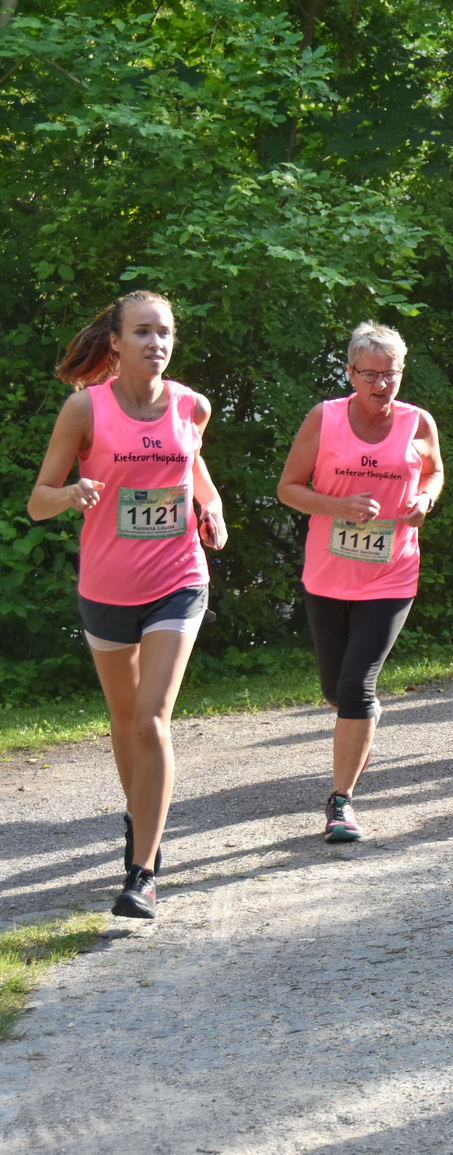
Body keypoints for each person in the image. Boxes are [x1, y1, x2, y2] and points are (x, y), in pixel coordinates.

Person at [28, 290, 229, 919]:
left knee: (151, 721)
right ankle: (141, 815)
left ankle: (142, 869)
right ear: (115, 343)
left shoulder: (192, 405)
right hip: (107, 589)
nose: (156, 344)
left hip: (177, 578)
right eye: (142, 332)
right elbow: (38, 500)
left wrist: (212, 506)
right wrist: (72, 494)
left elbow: (192, 467)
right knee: (123, 723)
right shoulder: (84, 409)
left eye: (164, 333)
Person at [276, 322, 444, 841]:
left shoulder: (418, 422)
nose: (380, 384)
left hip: (392, 574)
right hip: (328, 574)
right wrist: (337, 506)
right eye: (369, 374)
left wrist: (425, 500)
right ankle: (361, 722)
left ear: (401, 372)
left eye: (390, 374)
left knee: (356, 686)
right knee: (336, 688)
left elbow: (436, 472)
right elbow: (287, 488)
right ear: (350, 372)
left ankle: (340, 801)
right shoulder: (324, 419)